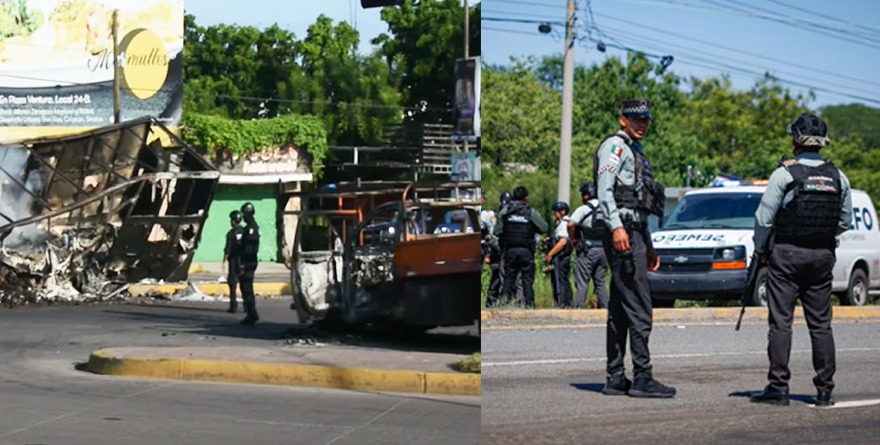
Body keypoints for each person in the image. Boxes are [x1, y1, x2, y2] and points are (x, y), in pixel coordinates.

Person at [749, 113, 852, 407]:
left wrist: (761, 250)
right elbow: (845, 222)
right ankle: (825, 390)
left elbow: (763, 219)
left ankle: (778, 388)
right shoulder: (838, 176)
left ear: (795, 140)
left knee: (781, 322)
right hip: (821, 257)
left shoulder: (785, 174)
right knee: (820, 324)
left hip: (787, 254)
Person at [594, 99, 673, 398]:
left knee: (620, 309)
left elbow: (638, 205)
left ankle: (615, 377)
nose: (642, 124)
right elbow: (605, 190)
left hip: (634, 232)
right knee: (640, 305)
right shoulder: (615, 147)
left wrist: (649, 243)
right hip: (623, 233)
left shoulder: (635, 151)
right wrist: (616, 227)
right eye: (636, 119)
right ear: (623, 119)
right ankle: (643, 376)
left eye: (646, 120)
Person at [493, 185, 549, 308]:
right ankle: (529, 305)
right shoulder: (531, 212)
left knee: (508, 279)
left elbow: (496, 231)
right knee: (527, 280)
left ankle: (503, 305)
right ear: (526, 198)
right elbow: (544, 227)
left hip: (510, 250)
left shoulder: (506, 211)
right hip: (526, 250)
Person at [568, 182, 609, 309]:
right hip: (604, 250)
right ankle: (606, 309)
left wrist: (573, 239)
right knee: (600, 282)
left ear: (587, 195)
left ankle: (578, 308)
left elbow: (570, 224)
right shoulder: (606, 208)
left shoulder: (583, 209)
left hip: (588, 250)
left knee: (582, 281)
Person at [546, 201, 574, 308]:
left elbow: (563, 242)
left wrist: (550, 254)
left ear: (563, 211)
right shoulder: (560, 223)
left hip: (561, 256)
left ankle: (563, 303)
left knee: (560, 280)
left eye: (556, 212)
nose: (554, 214)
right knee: (561, 279)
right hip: (561, 256)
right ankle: (564, 302)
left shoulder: (564, 223)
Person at [238, 202, 262, 325]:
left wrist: (243, 265)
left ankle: (252, 314)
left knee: (247, 288)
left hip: (248, 262)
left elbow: (249, 248)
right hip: (249, 261)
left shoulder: (251, 228)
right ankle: (250, 313)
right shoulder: (251, 227)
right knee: (245, 287)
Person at [222, 210, 244, 313]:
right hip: (243, 260)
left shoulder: (231, 233)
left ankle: (233, 306)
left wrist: (224, 261)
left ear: (234, 221)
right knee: (244, 283)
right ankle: (247, 305)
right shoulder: (245, 231)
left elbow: (228, 248)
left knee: (232, 282)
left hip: (234, 260)